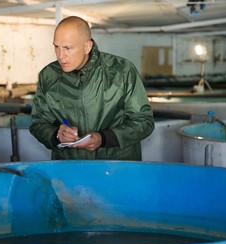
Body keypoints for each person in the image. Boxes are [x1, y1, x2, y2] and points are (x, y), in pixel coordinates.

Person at [29, 16, 154, 160]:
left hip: (115, 168)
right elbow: (38, 123)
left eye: (67, 48)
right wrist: (56, 135)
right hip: (70, 169)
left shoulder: (121, 71)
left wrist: (103, 138)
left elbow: (144, 122)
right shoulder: (48, 75)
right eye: (56, 46)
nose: (60, 55)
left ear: (87, 46)